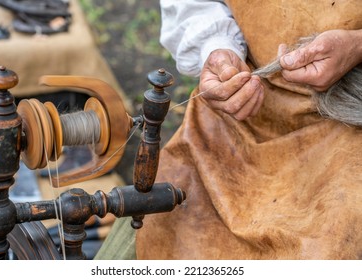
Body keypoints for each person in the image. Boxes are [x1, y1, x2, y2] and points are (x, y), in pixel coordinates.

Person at [96, 0, 362, 260]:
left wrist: (358, 44)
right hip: (234, 114)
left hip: (348, 129)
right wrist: (218, 49)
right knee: (169, 227)